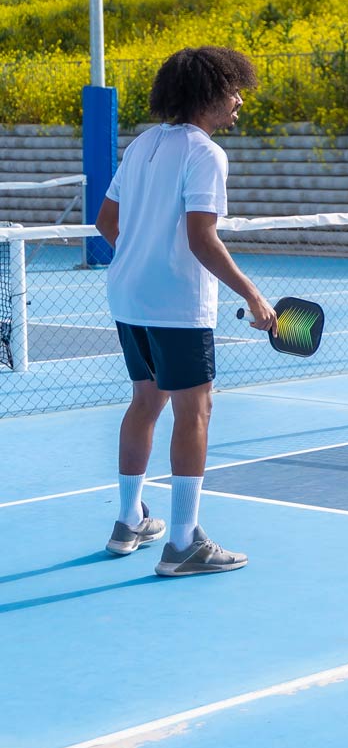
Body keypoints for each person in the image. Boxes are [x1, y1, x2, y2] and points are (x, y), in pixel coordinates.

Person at [96, 46, 275, 575]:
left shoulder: (142, 144)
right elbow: (202, 239)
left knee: (145, 403)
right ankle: (182, 542)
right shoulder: (206, 154)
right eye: (232, 90)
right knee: (194, 412)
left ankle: (128, 520)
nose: (239, 100)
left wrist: (142, 254)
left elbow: (107, 220)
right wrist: (252, 294)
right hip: (178, 304)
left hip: (128, 295)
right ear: (207, 95)